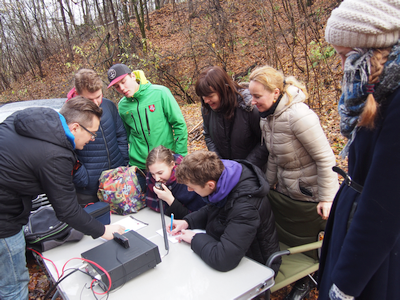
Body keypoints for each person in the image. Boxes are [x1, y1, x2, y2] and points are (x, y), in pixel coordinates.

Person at [0, 96, 125, 300]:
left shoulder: (37, 117)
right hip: (4, 218)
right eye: (92, 134)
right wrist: (104, 230)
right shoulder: (55, 155)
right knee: (13, 285)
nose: (92, 139)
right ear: (75, 127)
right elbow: (67, 210)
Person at [318, 1, 400, 299]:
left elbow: (386, 204)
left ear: (369, 50)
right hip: (352, 217)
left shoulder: (394, 98)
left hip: (371, 243)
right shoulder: (375, 89)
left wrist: (346, 285)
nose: (341, 65)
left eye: (343, 55)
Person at [248, 66, 339, 299]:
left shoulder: (299, 116)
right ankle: (302, 273)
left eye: (258, 96)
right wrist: (265, 188)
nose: (253, 101)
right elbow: (275, 158)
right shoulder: (267, 119)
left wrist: (328, 197)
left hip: (312, 192)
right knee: (292, 234)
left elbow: (325, 157)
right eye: (251, 95)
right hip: (288, 188)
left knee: (312, 239)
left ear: (276, 92)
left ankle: (313, 277)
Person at [168, 150, 281, 274]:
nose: (189, 190)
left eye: (192, 187)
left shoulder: (245, 208)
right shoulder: (224, 177)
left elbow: (224, 259)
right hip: (232, 247)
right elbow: (214, 208)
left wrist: (194, 238)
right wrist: (187, 222)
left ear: (210, 185)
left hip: (256, 264)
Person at [107, 64, 188, 192]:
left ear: (133, 76)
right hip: (139, 166)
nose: (121, 88)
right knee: (148, 206)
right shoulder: (122, 106)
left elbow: (179, 124)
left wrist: (180, 156)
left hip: (165, 162)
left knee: (173, 203)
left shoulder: (160, 93)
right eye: (117, 86)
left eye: (123, 82)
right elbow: (126, 136)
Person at [67, 68, 129, 205]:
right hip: (89, 189)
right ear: (77, 94)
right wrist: (84, 179)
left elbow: (120, 134)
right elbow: (66, 153)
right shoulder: (68, 115)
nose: (96, 103)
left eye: (98, 96)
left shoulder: (108, 106)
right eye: (90, 99)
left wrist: (123, 161)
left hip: (116, 181)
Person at [195, 66, 269, 170]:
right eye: (203, 96)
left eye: (210, 96)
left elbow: (265, 142)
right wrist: (219, 163)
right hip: (226, 171)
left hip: (254, 170)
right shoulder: (207, 109)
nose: (206, 101)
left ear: (224, 90)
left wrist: (244, 168)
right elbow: (208, 135)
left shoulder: (248, 107)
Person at [145, 145, 206, 219]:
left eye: (160, 173)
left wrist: (169, 199)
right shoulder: (150, 178)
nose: (156, 179)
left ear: (172, 164)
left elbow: (195, 217)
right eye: (153, 174)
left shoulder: (187, 180)